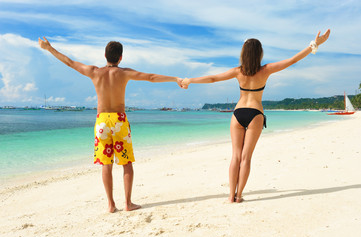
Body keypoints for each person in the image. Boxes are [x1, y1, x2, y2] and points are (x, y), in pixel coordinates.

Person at [181, 29, 331, 203]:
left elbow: (213, 78)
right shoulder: (266, 70)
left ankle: (230, 196)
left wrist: (189, 80)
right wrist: (314, 45)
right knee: (246, 158)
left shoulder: (238, 71)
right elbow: (292, 60)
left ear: (243, 54)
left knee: (235, 156)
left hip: (238, 114)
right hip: (255, 114)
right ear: (260, 53)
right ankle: (239, 196)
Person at [38, 38, 182, 212]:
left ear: (104, 55)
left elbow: (69, 62)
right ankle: (128, 203)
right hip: (119, 121)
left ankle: (111, 205)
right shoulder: (124, 73)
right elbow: (151, 77)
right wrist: (175, 78)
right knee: (126, 163)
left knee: (107, 164)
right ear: (120, 58)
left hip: (102, 122)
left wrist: (49, 48)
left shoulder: (94, 72)